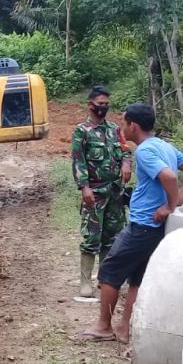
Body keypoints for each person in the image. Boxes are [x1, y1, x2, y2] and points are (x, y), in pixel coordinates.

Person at [79, 103, 183, 343]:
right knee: (136, 276)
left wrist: (170, 205)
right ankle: (125, 328)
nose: (122, 127)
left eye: (124, 122)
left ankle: (104, 326)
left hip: (144, 224)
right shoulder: (164, 146)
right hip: (155, 227)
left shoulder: (144, 151)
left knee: (110, 270)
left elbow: (168, 176)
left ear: (133, 125)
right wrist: (179, 199)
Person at [71, 86, 132, 299]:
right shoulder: (82, 131)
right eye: (100, 104)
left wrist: (126, 163)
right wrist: (84, 187)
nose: (104, 108)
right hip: (94, 192)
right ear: (90, 105)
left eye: (107, 104)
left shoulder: (114, 129)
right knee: (91, 237)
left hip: (115, 192)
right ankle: (85, 282)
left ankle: (105, 279)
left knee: (112, 238)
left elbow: (125, 150)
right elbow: (78, 161)